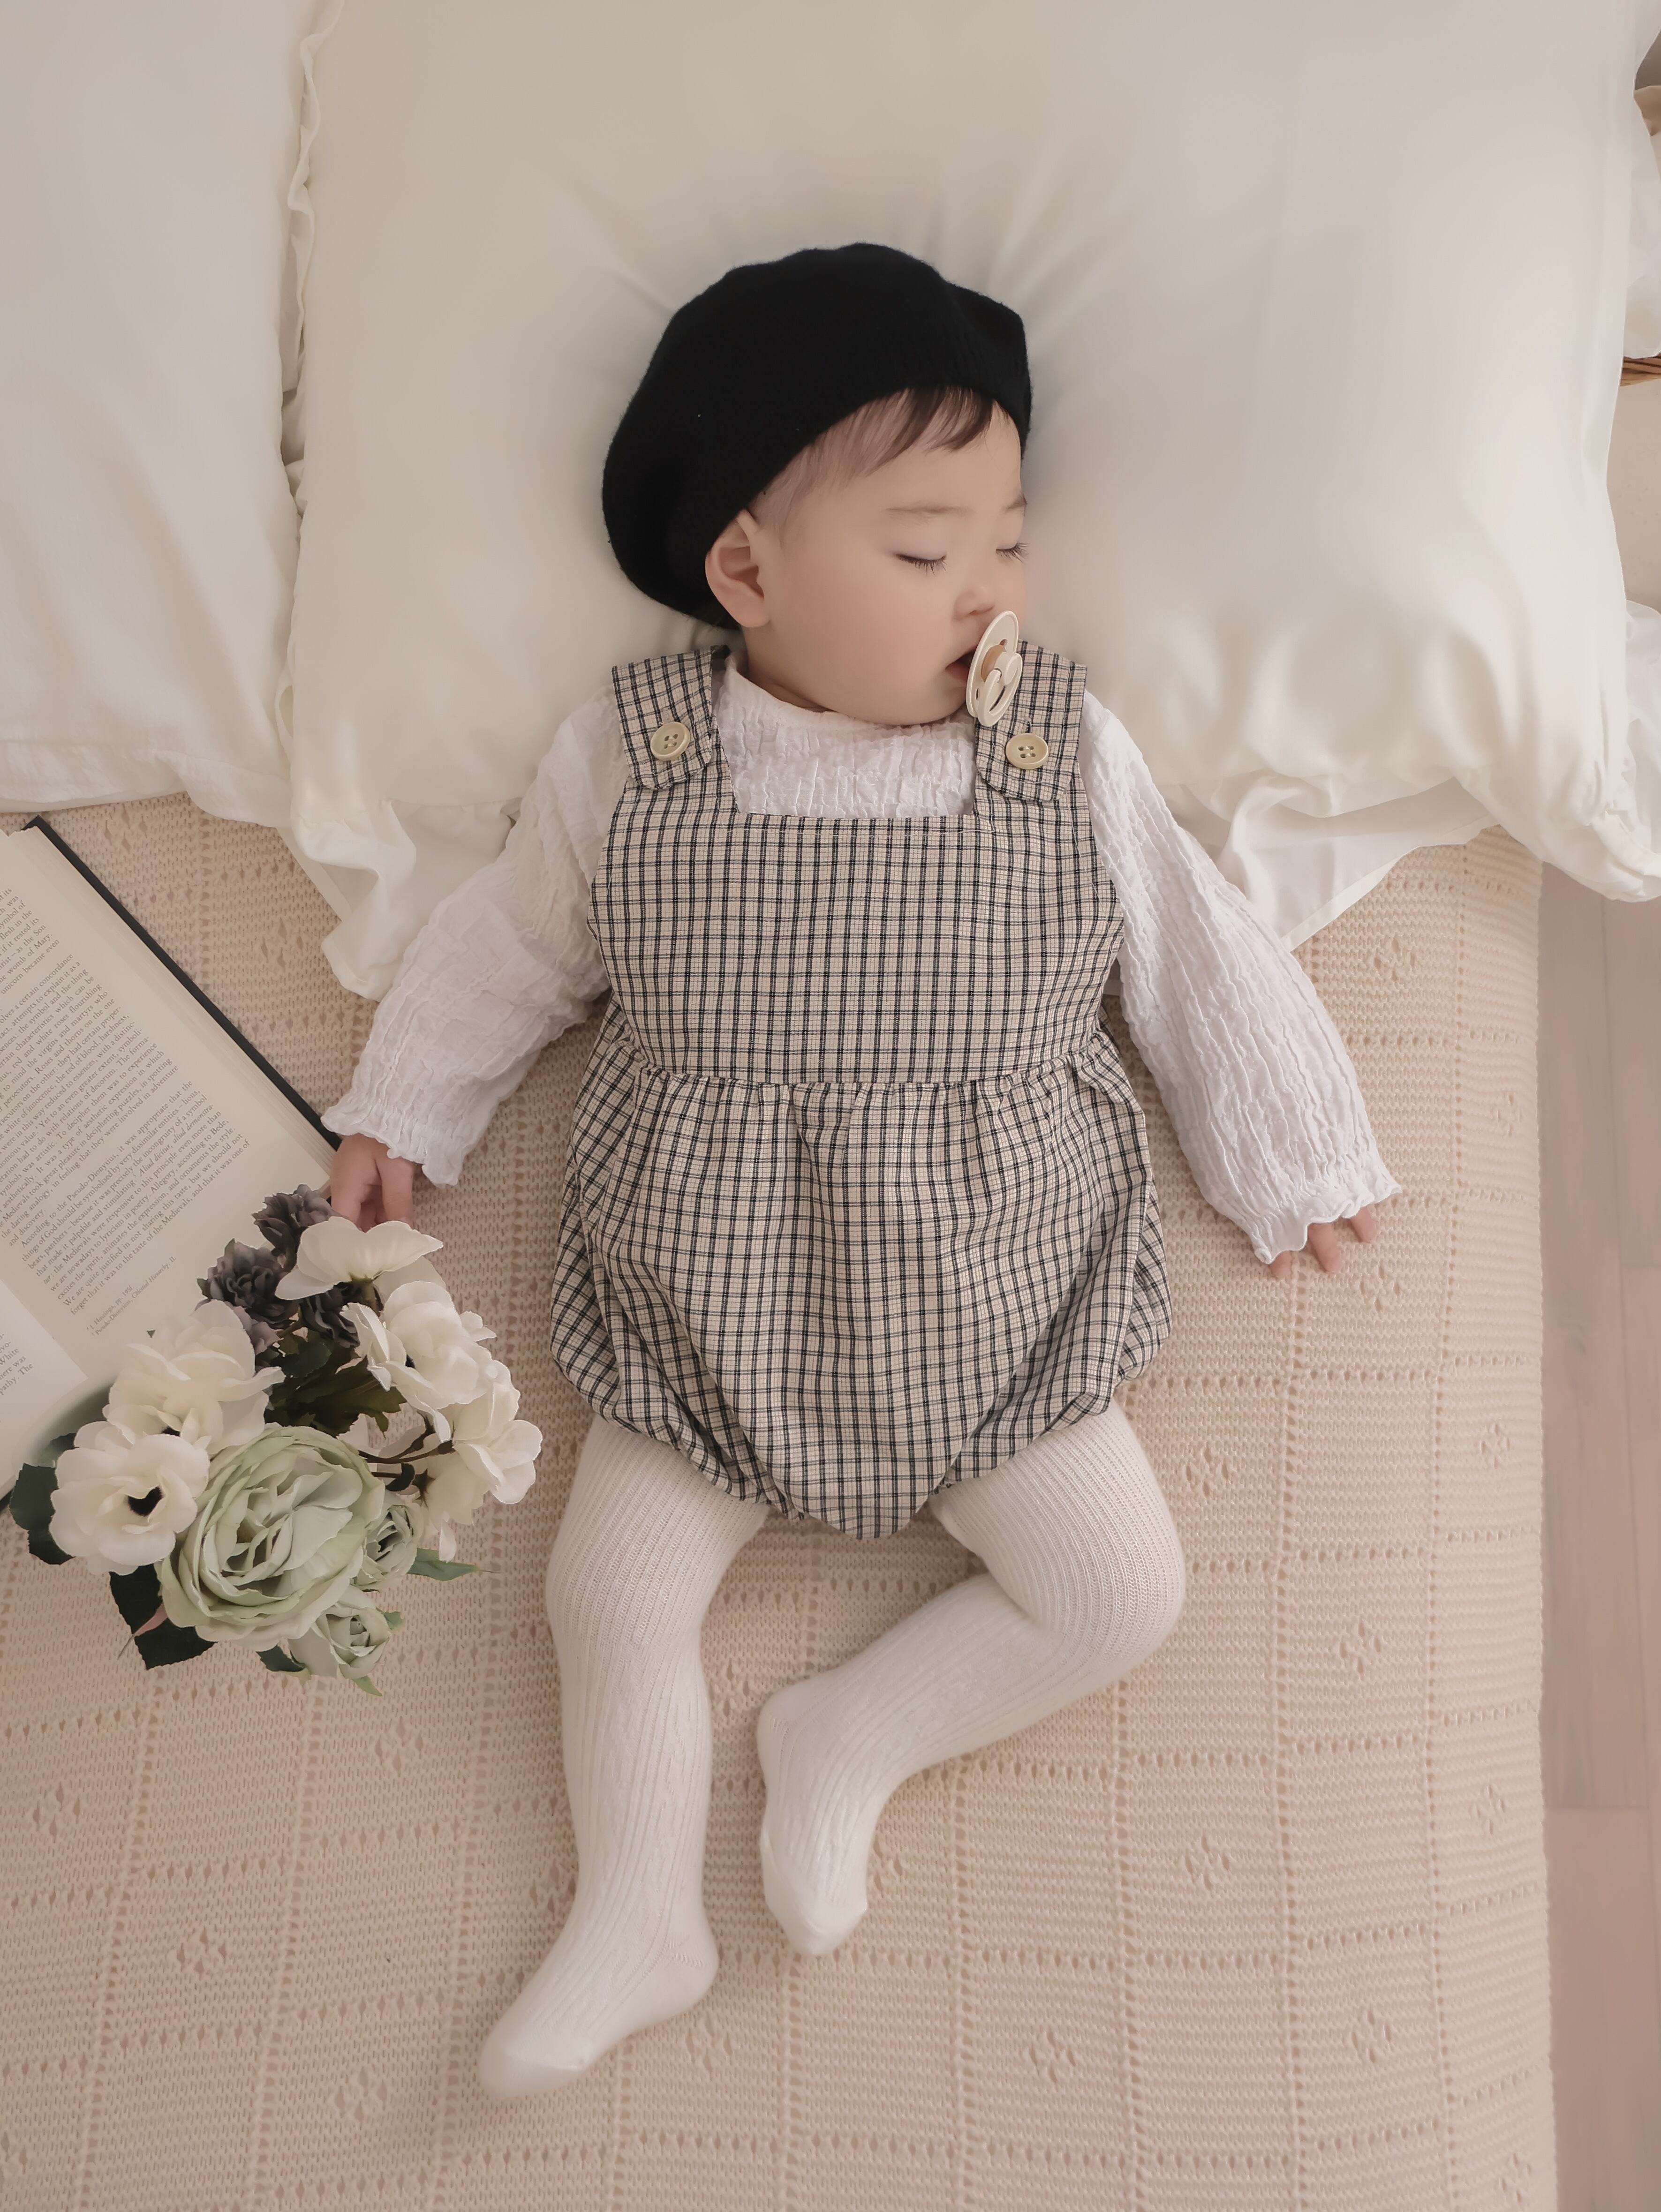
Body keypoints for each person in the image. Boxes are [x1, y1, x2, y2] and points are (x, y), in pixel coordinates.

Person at [323, 243, 1399, 2098]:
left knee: (1117, 1593)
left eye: (1008, 538)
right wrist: (406, 1107)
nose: (991, 586)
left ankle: (852, 1734)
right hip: (711, 1295)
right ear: (747, 573)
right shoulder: (640, 756)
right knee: (609, 1595)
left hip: (997, 1288)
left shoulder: (1059, 747)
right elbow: (508, 944)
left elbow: (1191, 949)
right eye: (924, 549)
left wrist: (1291, 1145)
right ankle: (638, 1913)